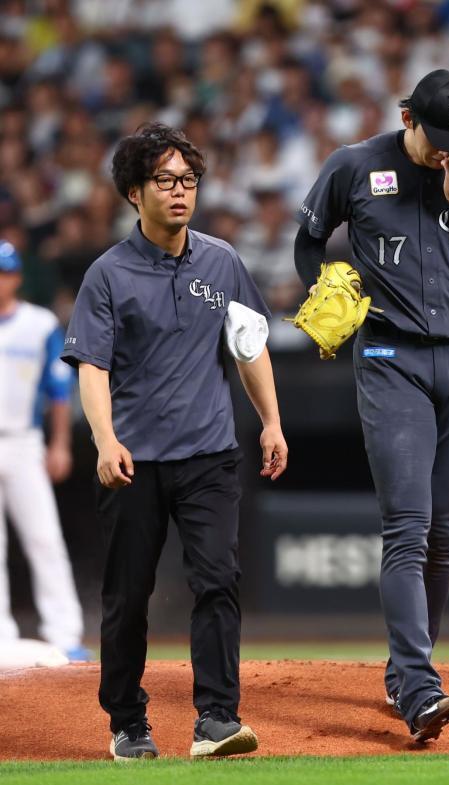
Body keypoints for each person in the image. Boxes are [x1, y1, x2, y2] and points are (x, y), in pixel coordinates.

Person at [294, 69, 449, 742]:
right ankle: (420, 685)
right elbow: (309, 237)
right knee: (407, 522)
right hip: (390, 357)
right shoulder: (356, 164)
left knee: (442, 533)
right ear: (407, 117)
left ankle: (407, 673)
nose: (448, 148)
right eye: (436, 135)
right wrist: (325, 282)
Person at [62, 123, 288, 761]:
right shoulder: (107, 274)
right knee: (129, 594)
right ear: (135, 193)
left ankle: (216, 719)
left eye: (188, 180)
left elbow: (249, 346)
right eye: (164, 181)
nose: (179, 192)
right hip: (133, 460)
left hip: (210, 454)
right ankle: (128, 724)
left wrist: (271, 421)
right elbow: (92, 367)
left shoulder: (223, 261)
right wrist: (104, 440)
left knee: (218, 580)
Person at [0, 240, 90, 663]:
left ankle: (65, 633)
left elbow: (59, 390)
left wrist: (60, 444)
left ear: (17, 277)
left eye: (6, 272)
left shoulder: (38, 324)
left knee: (44, 537)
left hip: (23, 441)